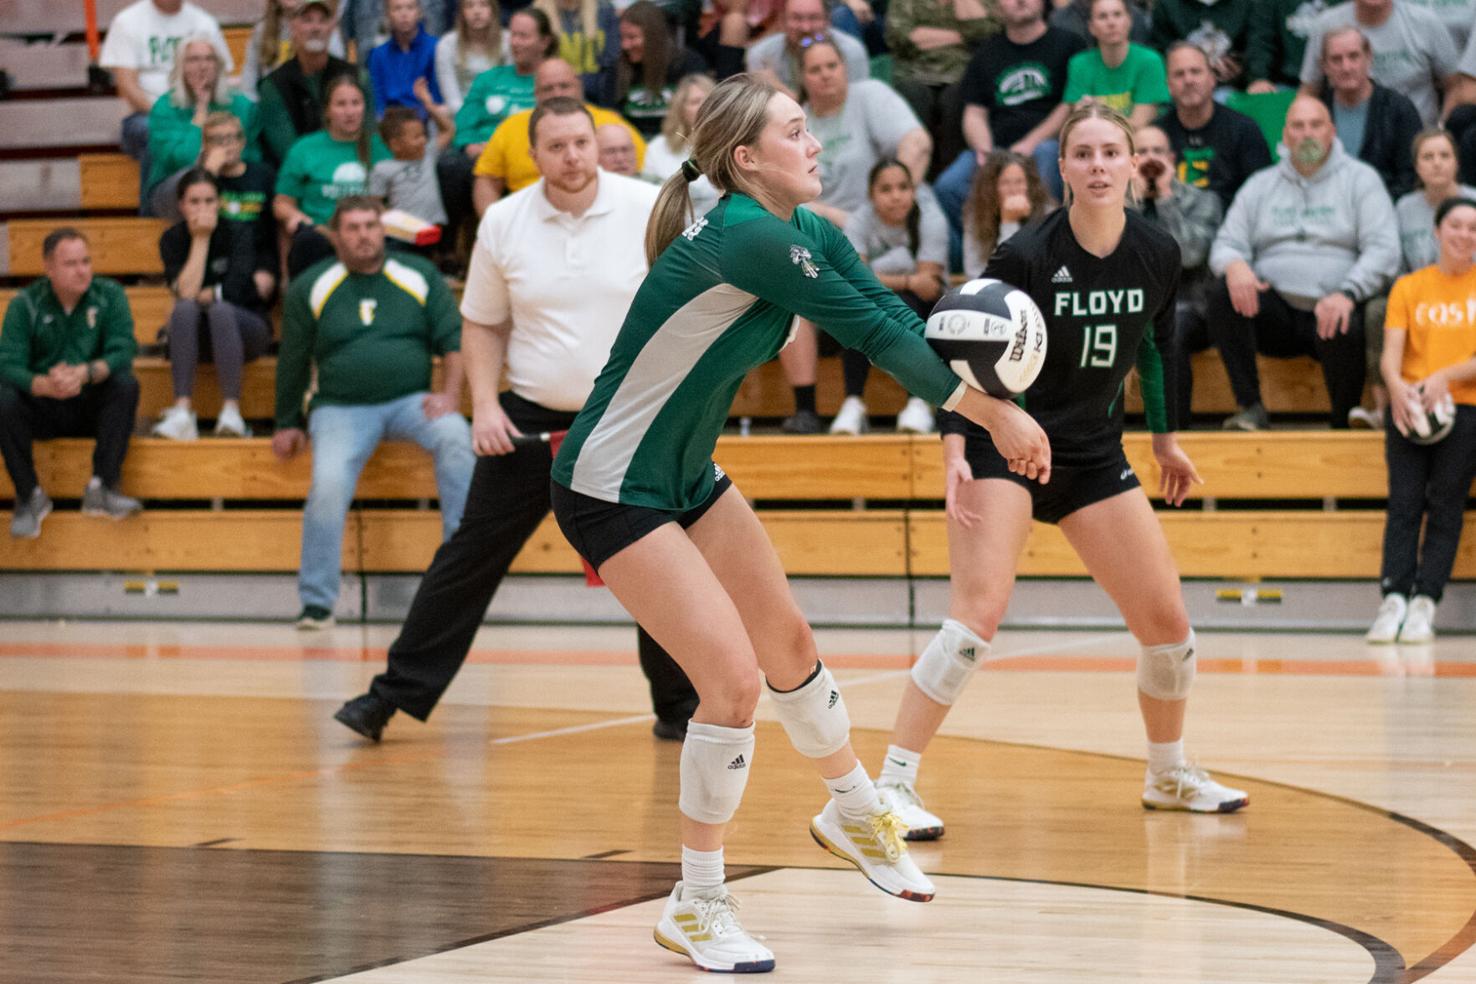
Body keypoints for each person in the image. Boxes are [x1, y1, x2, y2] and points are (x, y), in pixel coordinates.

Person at [548, 73, 1047, 974]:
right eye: (794, 131)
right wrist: (998, 414)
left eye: (812, 128)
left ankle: (852, 808)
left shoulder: (805, 231)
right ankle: (697, 901)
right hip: (610, 485)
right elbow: (873, 335)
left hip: (686, 475)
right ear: (746, 160)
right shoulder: (745, 236)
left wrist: (979, 362)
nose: (816, 143)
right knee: (733, 683)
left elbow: (896, 316)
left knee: (789, 644)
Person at [872, 104, 1248, 853]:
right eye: (1085, 153)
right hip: (1003, 441)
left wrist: (1165, 441)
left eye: (1115, 151)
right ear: (1065, 168)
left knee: (1168, 628)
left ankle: (1167, 774)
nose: (1101, 165)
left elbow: (1156, 347)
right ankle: (889, 784)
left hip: (1091, 453)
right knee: (978, 613)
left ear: (1134, 163)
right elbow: (957, 343)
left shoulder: (1156, 251)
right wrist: (956, 444)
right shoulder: (1026, 252)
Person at [333, 97, 697, 744]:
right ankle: (387, 698)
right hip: (528, 419)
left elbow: (689, 304)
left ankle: (677, 707)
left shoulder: (648, 208)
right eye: (556, 147)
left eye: (582, 142)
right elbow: (481, 321)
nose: (573, 157)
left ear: (598, 140)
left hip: (629, 417)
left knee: (656, 562)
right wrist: (486, 405)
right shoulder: (503, 220)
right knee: (469, 556)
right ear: (533, 156)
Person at [273, 197, 474, 629]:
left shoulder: (418, 275)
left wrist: (450, 396)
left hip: (412, 403)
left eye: (371, 226)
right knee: (327, 483)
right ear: (336, 235)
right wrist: (287, 421)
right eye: (352, 228)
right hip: (340, 409)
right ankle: (317, 603)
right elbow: (292, 358)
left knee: (457, 437)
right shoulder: (312, 284)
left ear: (383, 230)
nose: (364, 235)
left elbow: (453, 343)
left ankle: (462, 585)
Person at [1206, 96, 1399, 430]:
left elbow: (1384, 250)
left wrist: (1347, 292)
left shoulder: (1361, 179)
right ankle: (1250, 408)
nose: (1307, 133)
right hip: (1275, 312)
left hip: (1333, 311)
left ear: (1332, 131)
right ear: (1285, 135)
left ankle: (1342, 421)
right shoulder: (1260, 185)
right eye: (1298, 126)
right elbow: (1224, 244)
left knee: (1348, 320)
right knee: (1223, 292)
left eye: (1315, 125)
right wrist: (1236, 266)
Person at [780, 37, 932, 433]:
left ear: (846, 68)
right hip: (818, 234)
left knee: (870, 295)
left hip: (880, 228)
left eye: (832, 65)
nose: (825, 75)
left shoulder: (870, 96)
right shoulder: (797, 119)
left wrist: (895, 202)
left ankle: (922, 397)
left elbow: (918, 143)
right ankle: (806, 408)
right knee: (789, 295)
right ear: (803, 78)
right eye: (814, 69)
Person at [1367, 197, 1476, 643]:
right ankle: (1393, 597)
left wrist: (1444, 377)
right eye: (1456, 226)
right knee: (1405, 503)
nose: (1464, 235)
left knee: (1447, 505)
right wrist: (1397, 389)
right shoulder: (1410, 287)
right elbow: (1391, 356)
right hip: (1408, 408)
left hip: (1465, 408)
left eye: (1473, 229)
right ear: (1436, 231)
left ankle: (1426, 602)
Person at [0, 230, 142, 538]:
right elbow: (7, 364)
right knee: (4, 397)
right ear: (49, 268)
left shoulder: (110, 294)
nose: (82, 270)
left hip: (88, 403)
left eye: (86, 261)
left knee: (125, 384)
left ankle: (102, 486)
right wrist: (39, 384)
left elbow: (124, 348)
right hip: (43, 406)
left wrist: (86, 372)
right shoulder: (25, 303)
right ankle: (29, 496)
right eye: (71, 264)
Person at [830, 158, 950, 435]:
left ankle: (918, 401)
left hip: (927, 306)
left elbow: (929, 284)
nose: (896, 196)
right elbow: (852, 279)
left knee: (905, 305)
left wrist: (879, 275)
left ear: (913, 191)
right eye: (886, 189)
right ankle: (853, 402)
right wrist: (907, 279)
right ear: (872, 195)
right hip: (874, 301)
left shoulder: (931, 218)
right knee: (855, 309)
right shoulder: (860, 220)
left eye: (903, 187)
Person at [152, 171, 274, 441]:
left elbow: (238, 291)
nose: (203, 209)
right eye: (194, 202)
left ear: (219, 203)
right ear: (182, 205)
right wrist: (201, 239)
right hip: (195, 336)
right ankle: (182, 412)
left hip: (246, 330)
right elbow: (186, 294)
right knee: (184, 309)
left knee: (219, 309)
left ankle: (232, 412)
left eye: (209, 201)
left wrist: (210, 294)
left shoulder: (239, 231)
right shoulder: (172, 239)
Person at [937, 0, 1083, 222]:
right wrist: (985, 153)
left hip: (1049, 146)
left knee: (1046, 154)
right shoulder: (986, 53)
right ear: (996, 7)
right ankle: (989, 246)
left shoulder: (1069, 44)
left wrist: (1029, 144)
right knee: (947, 187)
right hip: (997, 149)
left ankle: (1043, 244)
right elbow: (974, 113)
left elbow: (1069, 105)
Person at [99, 0, 231, 214]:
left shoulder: (204, 22)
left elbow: (222, 72)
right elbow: (126, 85)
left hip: (196, 110)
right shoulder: (127, 21)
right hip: (144, 115)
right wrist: (165, 117)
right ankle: (149, 215)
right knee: (153, 132)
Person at [1132, 124, 1223, 427]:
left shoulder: (1203, 200)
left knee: (1170, 328)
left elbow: (1191, 255)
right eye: (1142, 152)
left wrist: (1165, 199)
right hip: (1129, 304)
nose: (1150, 160)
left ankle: (1174, 431)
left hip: (1188, 307)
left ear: (1172, 158)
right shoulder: (1116, 204)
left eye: (1157, 152)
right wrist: (1130, 202)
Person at [471, 58, 643, 214]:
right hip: (528, 217)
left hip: (600, 213)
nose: (557, 94)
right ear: (536, 94)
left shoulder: (611, 123)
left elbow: (641, 173)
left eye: (564, 86)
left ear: (579, 87)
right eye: (548, 89)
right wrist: (493, 225)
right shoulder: (510, 127)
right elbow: (486, 181)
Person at [444, 8, 555, 240]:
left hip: (530, 153)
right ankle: (461, 243)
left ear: (544, 42)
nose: (515, 43)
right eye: (513, 35)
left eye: (524, 36)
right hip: (485, 153)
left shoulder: (553, 80)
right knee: (450, 165)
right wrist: (469, 145)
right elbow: (464, 124)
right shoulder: (488, 79)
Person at [274, 73, 394, 276]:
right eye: (341, 104)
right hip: (321, 234)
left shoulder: (379, 147)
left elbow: (390, 200)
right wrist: (298, 218)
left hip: (366, 233)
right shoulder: (305, 148)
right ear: (327, 111)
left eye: (356, 103)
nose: (350, 111)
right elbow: (281, 203)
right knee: (307, 241)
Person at [146, 37, 263, 219]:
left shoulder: (242, 106)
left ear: (219, 66)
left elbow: (253, 156)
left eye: (210, 59)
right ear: (181, 67)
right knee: (194, 182)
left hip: (231, 178)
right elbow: (184, 160)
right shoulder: (165, 107)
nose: (203, 66)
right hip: (173, 188)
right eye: (194, 60)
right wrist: (201, 111)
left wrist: (226, 163)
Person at [1299, 0, 1458, 126]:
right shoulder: (1326, 25)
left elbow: (1456, 87)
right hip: (1345, 133)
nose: (1346, 66)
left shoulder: (1426, 23)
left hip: (1419, 138)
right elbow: (1309, 90)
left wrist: (1441, 130)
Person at [883, 0, 997, 175]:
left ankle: (948, 177)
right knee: (914, 95)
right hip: (915, 73)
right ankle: (914, 176)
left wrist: (926, 35)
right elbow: (900, 36)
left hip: (962, 74)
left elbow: (988, 32)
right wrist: (962, 35)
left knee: (958, 97)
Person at [1154, 41, 1271, 211]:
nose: (1188, 80)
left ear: (1212, 79)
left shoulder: (1244, 130)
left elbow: (1262, 196)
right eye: (1179, 74)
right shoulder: (1157, 134)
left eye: (1196, 71)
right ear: (1168, 85)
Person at [258, 0, 374, 168]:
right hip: (302, 179)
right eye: (307, 20)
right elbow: (288, 152)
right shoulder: (273, 86)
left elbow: (369, 135)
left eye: (322, 21)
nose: (316, 28)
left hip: (353, 171)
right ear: (293, 26)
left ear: (332, 27)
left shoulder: (357, 77)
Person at [1315, 27, 1421, 198]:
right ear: (1324, 66)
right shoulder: (1316, 111)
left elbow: (1410, 176)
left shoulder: (1399, 109)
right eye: (1336, 59)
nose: (1346, 67)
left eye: (1353, 56)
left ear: (1368, 57)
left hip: (1387, 210)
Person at [593, 1, 711, 136]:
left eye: (632, 37)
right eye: (622, 38)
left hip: (679, 141)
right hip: (634, 144)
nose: (625, 45)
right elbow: (610, 117)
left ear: (654, 36)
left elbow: (702, 114)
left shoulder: (689, 63)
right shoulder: (617, 69)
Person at [197, 112, 280, 281]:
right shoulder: (200, 180)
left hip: (258, 253)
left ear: (242, 142)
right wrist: (210, 173)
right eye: (217, 140)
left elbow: (275, 228)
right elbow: (197, 217)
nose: (226, 145)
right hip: (217, 254)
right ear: (205, 146)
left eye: (231, 138)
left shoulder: (264, 175)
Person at [1061, 0, 1168, 128]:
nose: (1111, 23)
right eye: (1102, 16)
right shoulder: (1079, 64)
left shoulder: (1150, 61)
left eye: (1117, 15)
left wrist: (1101, 110)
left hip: (1140, 143)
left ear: (1129, 21)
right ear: (1091, 27)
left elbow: (1139, 125)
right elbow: (1080, 123)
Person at [745, 0, 871, 98]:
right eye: (797, 18)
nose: (806, 28)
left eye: (814, 18)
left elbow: (854, 111)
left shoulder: (851, 51)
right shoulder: (761, 55)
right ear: (782, 21)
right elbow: (760, 116)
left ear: (827, 21)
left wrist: (780, 91)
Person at [961, 149, 1053, 278]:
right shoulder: (975, 216)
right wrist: (1009, 223)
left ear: (1030, 185)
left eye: (1019, 182)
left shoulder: (1048, 214)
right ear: (991, 188)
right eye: (1005, 183)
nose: (1014, 190)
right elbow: (975, 275)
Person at [1397, 129, 1476, 272]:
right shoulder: (1404, 208)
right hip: (1420, 290)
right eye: (1428, 157)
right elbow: (1398, 265)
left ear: (1457, 163)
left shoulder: (1473, 200)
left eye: (1445, 156)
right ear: (1417, 167)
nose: (1437, 163)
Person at [642, 74, 721, 215]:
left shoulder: (731, 144)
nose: (704, 106)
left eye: (709, 100)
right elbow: (648, 197)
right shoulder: (657, 148)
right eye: (695, 102)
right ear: (681, 110)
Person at [239, 0, 348, 97]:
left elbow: (338, 75)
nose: (314, 27)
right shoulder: (262, 30)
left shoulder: (322, 30)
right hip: (274, 103)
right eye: (307, 20)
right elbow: (248, 81)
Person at [372, 107, 451, 229]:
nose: (423, 140)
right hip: (405, 231)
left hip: (435, 227)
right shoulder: (383, 168)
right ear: (396, 145)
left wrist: (428, 104)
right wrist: (391, 222)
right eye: (417, 137)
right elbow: (374, 201)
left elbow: (448, 130)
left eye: (424, 135)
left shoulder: (428, 155)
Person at [368, 0, 445, 120]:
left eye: (410, 7)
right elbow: (378, 102)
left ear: (419, 12)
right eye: (397, 9)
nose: (404, 14)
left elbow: (437, 99)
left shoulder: (436, 48)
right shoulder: (378, 55)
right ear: (387, 14)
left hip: (428, 120)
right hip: (392, 123)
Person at [1148, 0, 1252, 88]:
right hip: (1181, 88)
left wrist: (1241, 68)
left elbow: (1257, 49)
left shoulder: (1247, 5)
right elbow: (1159, 55)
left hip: (1233, 88)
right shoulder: (1167, 6)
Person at [533, 0, 621, 96]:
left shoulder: (604, 9)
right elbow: (535, 61)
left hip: (596, 93)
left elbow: (611, 58)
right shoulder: (538, 11)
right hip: (552, 91)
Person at [435, 0, 504, 115]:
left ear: (493, 10)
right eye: (469, 6)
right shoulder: (447, 44)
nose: (476, 11)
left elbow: (508, 88)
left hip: (498, 112)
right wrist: (469, 117)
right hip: (460, 113)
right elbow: (452, 98)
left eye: (484, 4)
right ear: (461, 13)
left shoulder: (507, 42)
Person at [1245, 0, 1327, 92]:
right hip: (1286, 83)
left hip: (1333, 84)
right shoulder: (1269, 3)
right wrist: (1259, 77)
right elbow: (1261, 40)